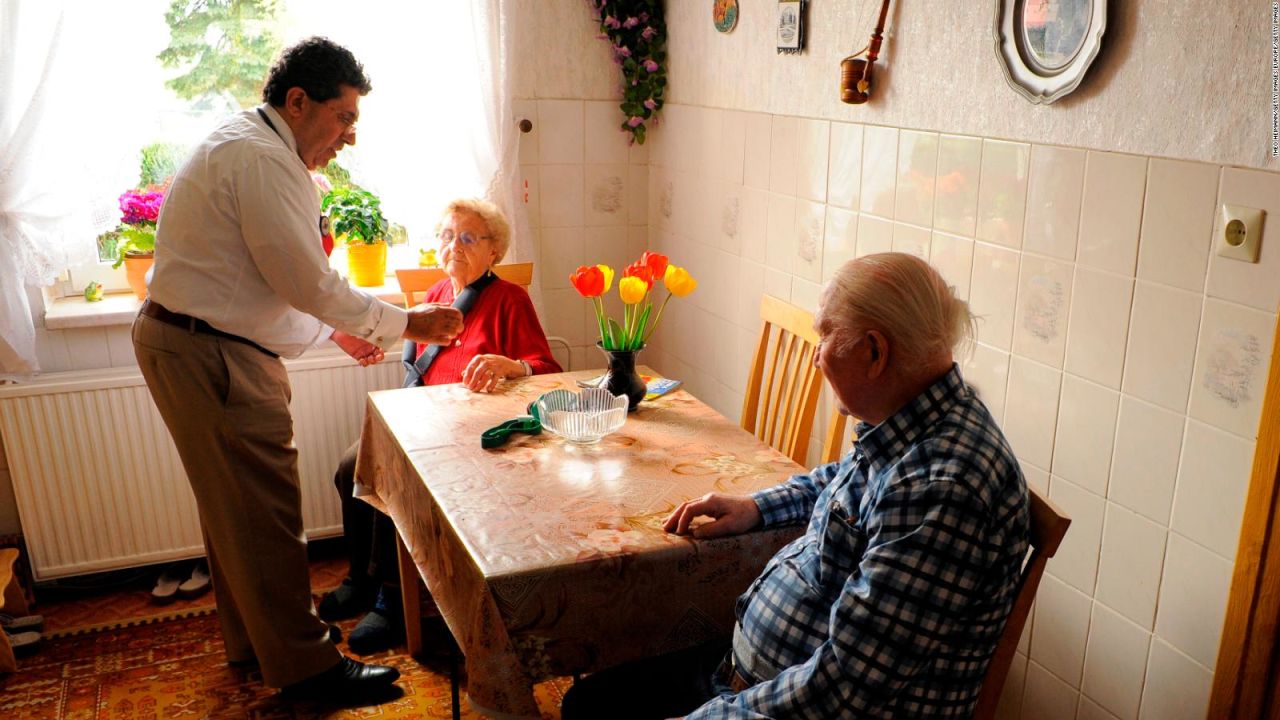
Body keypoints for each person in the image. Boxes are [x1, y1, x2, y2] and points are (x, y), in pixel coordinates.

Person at [131, 37, 465, 702]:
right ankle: (309, 671)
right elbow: (305, 280)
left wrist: (338, 328)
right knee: (266, 515)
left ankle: (258, 645)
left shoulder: (253, 146)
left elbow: (273, 279)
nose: (347, 138)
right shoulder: (261, 159)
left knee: (236, 513)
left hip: (197, 342)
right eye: (343, 119)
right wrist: (409, 322)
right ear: (297, 101)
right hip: (212, 353)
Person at [561, 253, 1030, 719]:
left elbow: (843, 687)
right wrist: (756, 508)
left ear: (874, 352)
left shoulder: (941, 490)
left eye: (824, 336)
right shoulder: (920, 419)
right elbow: (847, 478)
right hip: (752, 677)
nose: (815, 356)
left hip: (801, 705)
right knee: (590, 700)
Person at [319, 198, 561, 653]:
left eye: (469, 238)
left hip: (474, 429)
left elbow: (547, 367)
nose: (455, 246)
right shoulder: (433, 296)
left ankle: (390, 601)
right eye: (448, 236)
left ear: (494, 252)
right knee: (350, 465)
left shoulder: (510, 298)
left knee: (394, 474)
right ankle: (362, 577)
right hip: (422, 419)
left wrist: (511, 365)